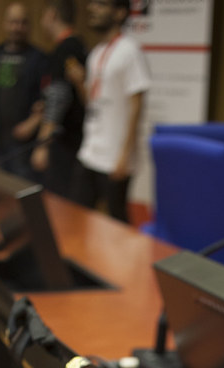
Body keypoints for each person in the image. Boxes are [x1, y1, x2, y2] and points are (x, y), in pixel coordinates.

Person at [69, 0, 151, 222]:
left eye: (101, 4)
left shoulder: (129, 51)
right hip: (91, 151)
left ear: (120, 13)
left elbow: (137, 106)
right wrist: (80, 83)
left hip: (114, 157)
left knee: (116, 221)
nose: (92, 8)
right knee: (77, 216)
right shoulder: (96, 53)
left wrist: (125, 155)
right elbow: (92, 102)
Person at [0, 3, 48, 179]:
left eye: (22, 22)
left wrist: (32, 123)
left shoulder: (38, 58)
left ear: (29, 26)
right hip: (1, 137)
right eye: (13, 22)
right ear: (5, 24)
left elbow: (48, 100)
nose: (17, 27)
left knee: (24, 186)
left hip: (26, 142)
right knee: (4, 185)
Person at [30, 0, 87, 199]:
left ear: (52, 14)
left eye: (43, 15)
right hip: (75, 140)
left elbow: (58, 98)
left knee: (61, 200)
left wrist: (42, 145)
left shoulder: (65, 49)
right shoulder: (78, 45)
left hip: (66, 143)